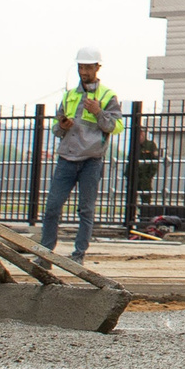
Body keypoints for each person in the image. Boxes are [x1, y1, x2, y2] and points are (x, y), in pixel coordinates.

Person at [38, 48, 120, 261]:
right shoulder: (70, 95)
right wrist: (62, 126)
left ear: (97, 68)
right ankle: (45, 254)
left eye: (87, 67)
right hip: (67, 158)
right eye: (80, 67)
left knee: (85, 210)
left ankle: (78, 255)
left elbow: (116, 126)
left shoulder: (107, 96)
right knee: (52, 208)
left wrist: (98, 112)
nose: (83, 71)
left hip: (91, 161)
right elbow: (57, 130)